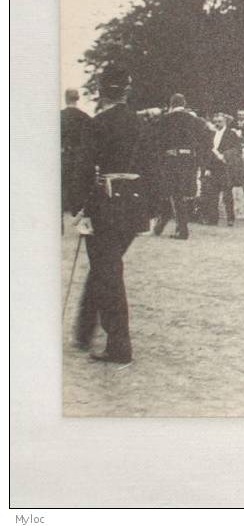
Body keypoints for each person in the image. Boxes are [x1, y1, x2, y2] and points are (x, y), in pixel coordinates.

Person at [72, 65, 147, 365]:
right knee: (105, 268)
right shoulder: (141, 124)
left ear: (102, 91)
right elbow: (152, 168)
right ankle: (83, 330)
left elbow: (83, 168)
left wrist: (78, 206)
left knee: (107, 273)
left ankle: (119, 346)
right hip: (134, 207)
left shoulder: (97, 123)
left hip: (105, 204)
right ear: (126, 90)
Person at [152, 93, 208, 240]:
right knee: (179, 193)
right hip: (189, 160)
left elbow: (158, 142)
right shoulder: (196, 121)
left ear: (171, 105)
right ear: (184, 104)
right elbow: (204, 139)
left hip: (171, 159)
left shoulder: (164, 120)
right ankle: (160, 226)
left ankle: (182, 230)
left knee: (173, 193)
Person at [202, 112, 242, 226]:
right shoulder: (211, 134)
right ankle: (213, 219)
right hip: (213, 168)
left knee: (227, 195)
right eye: (216, 122)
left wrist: (225, 156)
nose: (217, 124)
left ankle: (230, 218)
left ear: (225, 122)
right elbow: (207, 152)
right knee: (212, 194)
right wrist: (207, 168)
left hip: (225, 167)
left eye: (220, 121)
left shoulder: (231, 134)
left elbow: (237, 149)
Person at [61, 87, 91, 217]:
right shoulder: (84, 117)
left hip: (64, 155)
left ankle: (60, 218)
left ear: (65, 98)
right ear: (77, 99)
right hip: (81, 156)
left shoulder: (60, 116)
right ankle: (79, 215)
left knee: (63, 184)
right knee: (79, 186)